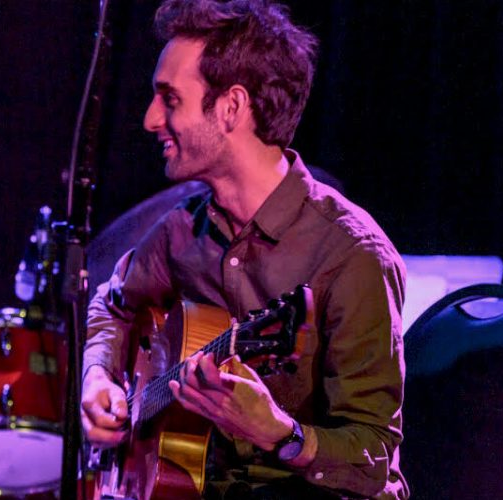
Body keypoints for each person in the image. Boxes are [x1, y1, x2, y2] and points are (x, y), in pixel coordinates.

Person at [81, 1, 408, 498]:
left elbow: (374, 459)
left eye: (170, 99)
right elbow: (113, 304)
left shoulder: (352, 255)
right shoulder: (181, 231)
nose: (150, 119)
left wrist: (282, 434)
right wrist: (98, 377)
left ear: (231, 107)